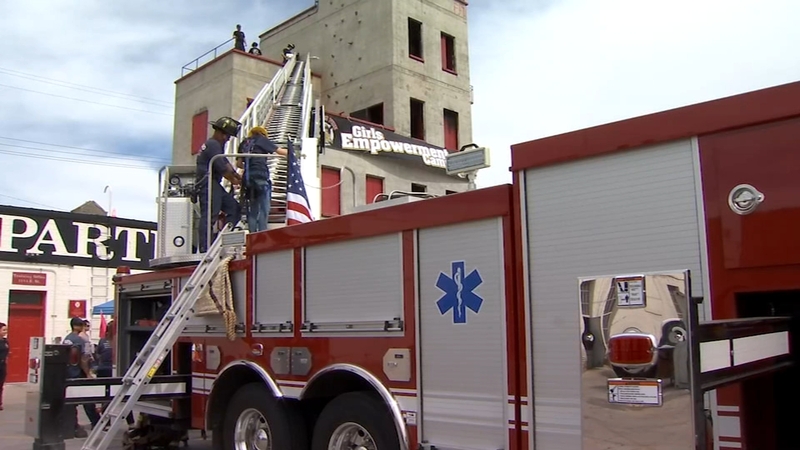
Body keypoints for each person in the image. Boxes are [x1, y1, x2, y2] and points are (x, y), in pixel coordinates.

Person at [196, 116, 243, 252]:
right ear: (223, 133)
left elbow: (225, 163)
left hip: (214, 184)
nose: (227, 139)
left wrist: (237, 176)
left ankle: (224, 240)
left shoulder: (215, 145)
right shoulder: (213, 145)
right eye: (228, 136)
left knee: (234, 208)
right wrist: (236, 181)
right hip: (207, 184)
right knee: (210, 214)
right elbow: (222, 168)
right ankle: (205, 248)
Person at [237, 126, 288, 232]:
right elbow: (281, 152)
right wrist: (291, 152)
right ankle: (262, 234)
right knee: (264, 209)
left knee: (252, 210)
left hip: (248, 179)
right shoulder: (262, 139)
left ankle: (252, 235)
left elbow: (239, 164)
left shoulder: (244, 143)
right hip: (260, 176)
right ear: (263, 134)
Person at [63, 317, 101, 436]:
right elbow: (84, 359)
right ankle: (96, 421)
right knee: (87, 399)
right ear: (78, 326)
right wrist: (88, 373)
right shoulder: (80, 341)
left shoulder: (67, 339)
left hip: (68, 373)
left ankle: (73, 424)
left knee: (71, 401)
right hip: (79, 373)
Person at [0, 323, 7, 411]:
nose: (5, 332)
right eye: (4, 330)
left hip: (2, 365)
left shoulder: (5, 341)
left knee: (1, 385)